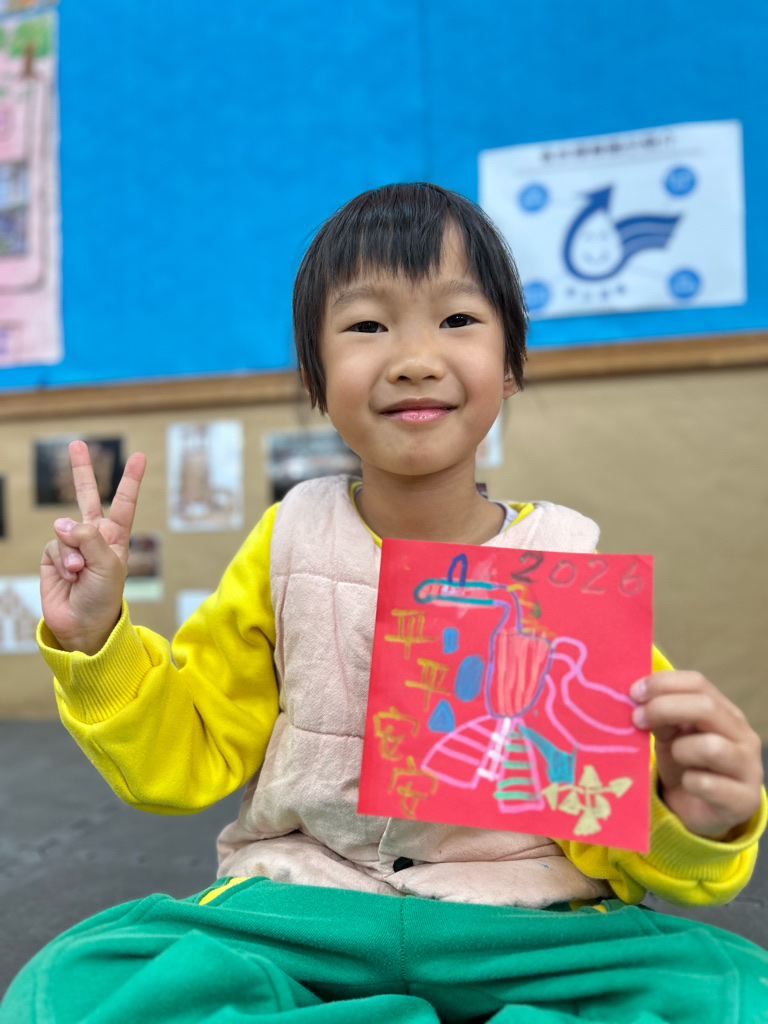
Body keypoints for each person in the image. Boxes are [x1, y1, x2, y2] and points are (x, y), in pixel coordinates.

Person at [2, 182, 766, 1023]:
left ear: (511, 365)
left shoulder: (565, 564)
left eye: (458, 319)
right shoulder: (287, 541)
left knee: (734, 991)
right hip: (305, 911)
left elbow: (624, 811)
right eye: (367, 326)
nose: (414, 358)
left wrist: (698, 820)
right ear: (316, 378)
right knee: (66, 985)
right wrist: (97, 639)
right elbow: (181, 761)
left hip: (529, 924)